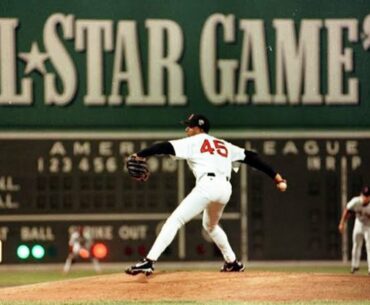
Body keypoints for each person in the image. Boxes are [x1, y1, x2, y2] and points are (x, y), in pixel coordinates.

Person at [125, 114, 287, 276]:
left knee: (175, 220)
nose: (186, 129)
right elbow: (252, 157)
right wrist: (277, 178)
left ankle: (149, 261)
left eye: (189, 126)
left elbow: (164, 147)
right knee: (210, 225)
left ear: (199, 128)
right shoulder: (224, 144)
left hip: (208, 185)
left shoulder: (194, 141)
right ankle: (232, 262)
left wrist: (141, 154)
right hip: (225, 188)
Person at [338, 186, 370, 275]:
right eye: (364, 195)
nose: (365, 197)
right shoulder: (356, 201)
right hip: (358, 224)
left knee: (369, 247)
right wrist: (342, 223)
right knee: (356, 245)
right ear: (361, 194)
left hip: (368, 226)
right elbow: (347, 210)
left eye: (367, 196)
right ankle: (354, 266)